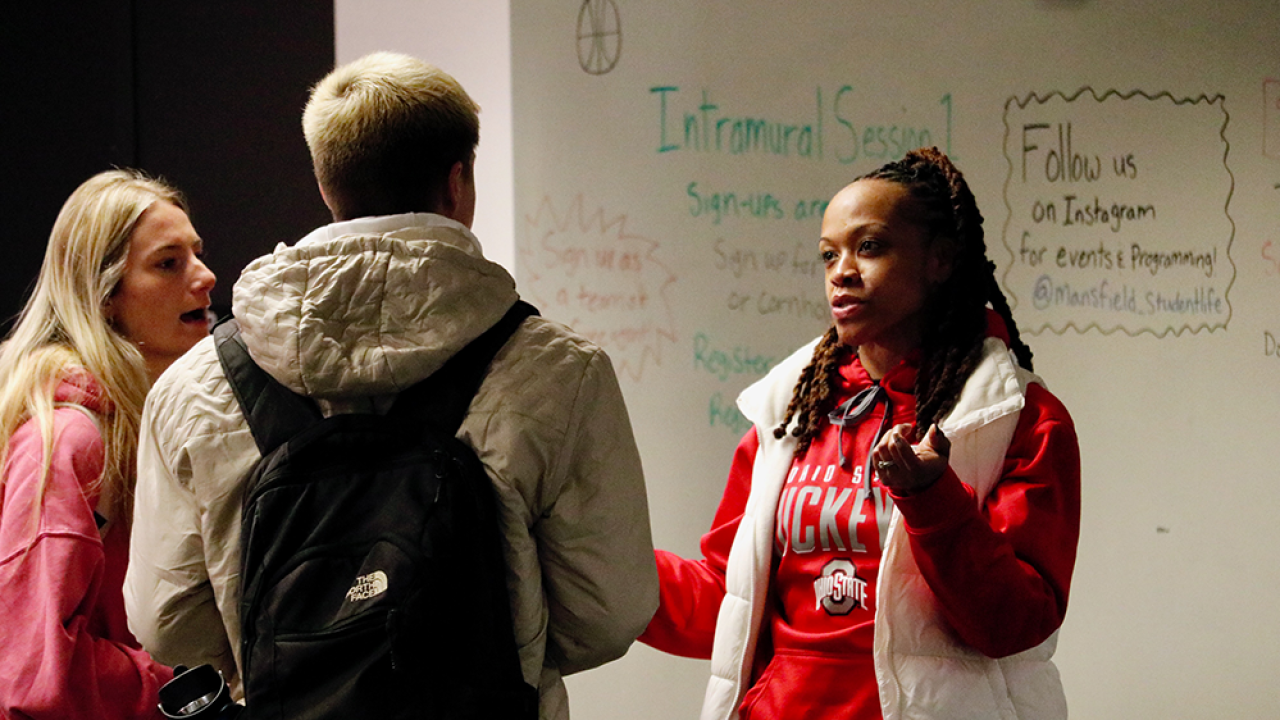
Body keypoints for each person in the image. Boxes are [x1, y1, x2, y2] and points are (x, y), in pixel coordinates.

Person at [123, 51, 658, 718]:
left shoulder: (196, 386)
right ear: (457, 182)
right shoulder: (560, 372)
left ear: (326, 185)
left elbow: (166, 622)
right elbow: (607, 614)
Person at [641, 147, 1081, 720]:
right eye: (828, 255)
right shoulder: (789, 410)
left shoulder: (1017, 416)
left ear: (941, 260)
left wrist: (932, 501)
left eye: (869, 246)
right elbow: (724, 603)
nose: (841, 271)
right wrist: (600, 559)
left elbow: (1013, 623)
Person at [0, 169, 217, 719]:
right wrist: (185, 685)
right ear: (105, 297)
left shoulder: (139, 419)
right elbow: (35, 674)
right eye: (168, 263)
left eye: (197, 253)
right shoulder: (71, 440)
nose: (206, 276)